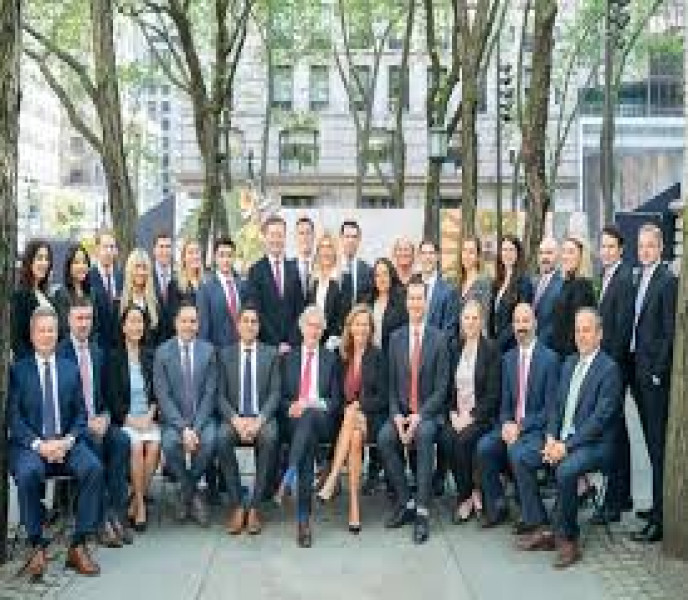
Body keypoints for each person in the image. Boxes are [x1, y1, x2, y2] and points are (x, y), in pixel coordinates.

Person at [512, 308, 622, 569]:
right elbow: (556, 406)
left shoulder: (609, 369)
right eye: (578, 330)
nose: (581, 336)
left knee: (566, 469)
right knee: (519, 455)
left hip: (595, 444)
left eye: (587, 330)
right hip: (562, 439)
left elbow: (599, 421)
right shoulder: (569, 362)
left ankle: (567, 537)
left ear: (599, 334)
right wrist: (551, 437)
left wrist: (565, 446)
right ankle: (541, 525)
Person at [9, 306, 103, 577]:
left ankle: (78, 544)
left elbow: (81, 416)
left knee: (93, 468)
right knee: (28, 472)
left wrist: (67, 442)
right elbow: (14, 418)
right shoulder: (19, 371)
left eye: (51, 330)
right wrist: (40, 446)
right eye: (42, 331)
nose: (47, 335)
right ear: (32, 335)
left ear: (57, 333)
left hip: (66, 443)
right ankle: (36, 544)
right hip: (32, 446)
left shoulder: (70, 369)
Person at [378, 281, 450, 545]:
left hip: (428, 413)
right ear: (407, 302)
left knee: (424, 435)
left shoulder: (439, 339)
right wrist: (397, 415)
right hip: (402, 411)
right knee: (385, 438)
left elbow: (442, 388)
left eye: (420, 298)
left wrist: (421, 415)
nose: (416, 303)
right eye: (412, 298)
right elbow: (390, 384)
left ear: (426, 303)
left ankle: (422, 511)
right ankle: (406, 502)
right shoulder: (395, 338)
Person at [57, 297, 132, 547]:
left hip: (99, 420)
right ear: (69, 320)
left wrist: (106, 417)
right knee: (95, 445)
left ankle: (117, 515)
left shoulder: (98, 352)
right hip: (73, 428)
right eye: (79, 318)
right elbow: (60, 404)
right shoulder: (60, 354)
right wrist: (86, 424)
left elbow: (107, 396)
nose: (83, 323)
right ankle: (100, 521)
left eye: (88, 318)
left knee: (121, 441)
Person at [476, 303, 560, 529]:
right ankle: (497, 506)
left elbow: (551, 409)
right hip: (511, 427)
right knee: (485, 447)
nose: (521, 326)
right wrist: (506, 423)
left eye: (526, 321)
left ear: (535, 323)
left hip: (536, 430)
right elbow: (504, 403)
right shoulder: (508, 359)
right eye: (517, 321)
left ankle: (535, 516)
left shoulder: (550, 359)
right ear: (512, 326)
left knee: (518, 452)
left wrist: (520, 427)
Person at [317, 304, 388, 533]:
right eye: (357, 324)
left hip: (373, 418)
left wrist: (360, 406)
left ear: (371, 329)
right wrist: (351, 409)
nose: (361, 328)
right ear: (350, 327)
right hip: (347, 422)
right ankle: (354, 507)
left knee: (352, 415)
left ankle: (333, 477)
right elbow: (337, 398)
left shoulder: (378, 356)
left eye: (366, 324)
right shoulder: (342, 357)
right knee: (355, 436)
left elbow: (384, 398)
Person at [276, 305, 343, 547]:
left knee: (310, 415)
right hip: (295, 423)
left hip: (322, 420)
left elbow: (336, 401)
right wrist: (290, 407)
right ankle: (303, 520)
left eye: (318, 326)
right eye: (310, 325)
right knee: (305, 436)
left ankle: (290, 473)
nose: (314, 330)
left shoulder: (331, 359)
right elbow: (280, 397)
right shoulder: (288, 359)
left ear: (323, 330)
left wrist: (312, 404)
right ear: (301, 328)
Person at [629, 224, 677, 544]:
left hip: (654, 377)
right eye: (641, 246)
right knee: (649, 444)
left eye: (650, 245)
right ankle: (656, 506)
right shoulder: (640, 278)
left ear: (661, 248)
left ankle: (660, 520)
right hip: (638, 370)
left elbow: (670, 332)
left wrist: (658, 372)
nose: (645, 250)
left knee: (658, 448)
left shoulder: (667, 281)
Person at [217, 305, 281, 536]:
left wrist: (259, 421)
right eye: (245, 320)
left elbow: (275, 393)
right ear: (237, 325)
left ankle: (254, 506)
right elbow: (220, 395)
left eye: (254, 321)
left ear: (259, 327)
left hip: (261, 417)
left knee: (270, 437)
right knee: (221, 438)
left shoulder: (270, 354)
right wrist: (236, 420)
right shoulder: (225, 354)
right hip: (235, 418)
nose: (249, 325)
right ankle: (237, 505)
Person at [154, 301, 219, 527]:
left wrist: (196, 428)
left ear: (198, 324)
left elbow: (210, 394)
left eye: (193, 321)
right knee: (170, 443)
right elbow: (163, 396)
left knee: (210, 441)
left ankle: (185, 493)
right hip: (175, 421)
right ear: (175, 323)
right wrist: (183, 429)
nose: (188, 326)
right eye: (184, 321)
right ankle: (192, 493)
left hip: (202, 419)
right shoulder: (162, 352)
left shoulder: (209, 351)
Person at [439, 300, 500, 524]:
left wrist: (470, 417)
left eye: (475, 318)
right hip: (457, 415)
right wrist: (452, 413)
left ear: (482, 321)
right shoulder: (454, 348)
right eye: (467, 318)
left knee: (463, 440)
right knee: (446, 438)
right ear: (461, 321)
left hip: (481, 416)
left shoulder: (491, 350)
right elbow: (447, 387)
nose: (471, 322)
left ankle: (466, 496)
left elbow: (493, 395)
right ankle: (468, 492)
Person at [593, 225, 635, 524]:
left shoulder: (623, 278)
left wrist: (608, 369)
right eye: (603, 246)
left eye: (611, 246)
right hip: (609, 365)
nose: (606, 251)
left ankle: (614, 502)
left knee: (614, 434)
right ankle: (623, 495)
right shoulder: (606, 275)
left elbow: (621, 330)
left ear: (621, 249)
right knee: (618, 433)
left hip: (615, 367)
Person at [108, 304, 159, 531]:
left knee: (154, 446)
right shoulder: (114, 358)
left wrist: (149, 415)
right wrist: (132, 421)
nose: (137, 326)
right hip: (126, 420)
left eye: (140, 322)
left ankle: (134, 500)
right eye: (132, 321)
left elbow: (157, 392)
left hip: (148, 417)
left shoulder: (150, 355)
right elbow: (114, 400)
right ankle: (140, 505)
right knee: (136, 447)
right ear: (123, 327)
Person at [363, 257, 407, 494]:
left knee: (389, 416)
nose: (381, 278)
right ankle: (373, 469)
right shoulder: (367, 301)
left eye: (385, 274)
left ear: (391, 276)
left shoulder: (400, 302)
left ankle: (393, 475)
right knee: (373, 414)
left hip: (393, 364)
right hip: (371, 365)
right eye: (377, 274)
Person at [247, 215, 304, 353]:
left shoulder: (294, 269)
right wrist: (276, 343)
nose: (276, 240)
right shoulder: (256, 270)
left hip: (292, 347)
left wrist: (291, 341)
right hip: (267, 346)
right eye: (272, 235)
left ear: (285, 237)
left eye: (280, 235)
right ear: (265, 237)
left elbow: (299, 309)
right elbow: (258, 311)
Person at [550, 237, 596, 359]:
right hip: (559, 352)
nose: (565, 256)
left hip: (571, 356)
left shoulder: (582, 286)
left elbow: (579, 327)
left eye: (571, 252)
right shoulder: (567, 282)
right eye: (564, 251)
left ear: (581, 257)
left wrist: (569, 359)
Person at [197, 236, 245, 349]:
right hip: (217, 351)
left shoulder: (243, 285)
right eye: (222, 255)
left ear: (234, 257)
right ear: (215, 258)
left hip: (241, 349)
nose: (226, 260)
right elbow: (204, 326)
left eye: (229, 255)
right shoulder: (206, 288)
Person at [11, 239, 55, 360]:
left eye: (47, 259)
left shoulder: (46, 296)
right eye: (39, 258)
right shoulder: (20, 296)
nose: (44, 263)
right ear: (29, 261)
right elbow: (17, 341)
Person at [489, 235, 534, 353]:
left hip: (512, 345)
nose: (507, 254)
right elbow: (492, 315)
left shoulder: (524, 282)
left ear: (517, 253)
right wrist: (491, 340)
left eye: (511, 250)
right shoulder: (497, 281)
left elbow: (521, 319)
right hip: (496, 344)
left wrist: (499, 343)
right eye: (504, 250)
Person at [53, 243, 100, 344]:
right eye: (76, 262)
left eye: (84, 262)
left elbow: (96, 327)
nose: (81, 266)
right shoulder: (61, 294)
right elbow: (63, 329)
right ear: (69, 266)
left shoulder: (92, 293)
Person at [305, 231, 345, 348]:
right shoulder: (312, 280)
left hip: (333, 343)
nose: (326, 251)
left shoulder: (343, 279)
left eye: (329, 247)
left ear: (335, 251)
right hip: (312, 340)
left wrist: (332, 341)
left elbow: (344, 316)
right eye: (322, 247)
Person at [88, 229, 123, 354]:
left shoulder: (121, 277)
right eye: (105, 247)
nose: (109, 251)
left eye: (112, 247)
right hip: (97, 348)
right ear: (97, 249)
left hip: (118, 349)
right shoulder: (88, 277)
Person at [418, 240, 460, 345]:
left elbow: (449, 331)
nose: (427, 257)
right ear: (419, 257)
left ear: (437, 257)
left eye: (431, 253)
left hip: (437, 350)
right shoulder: (412, 286)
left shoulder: (448, 291)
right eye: (424, 253)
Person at [118, 248, 161, 350]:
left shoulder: (156, 302)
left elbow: (161, 336)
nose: (141, 272)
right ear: (130, 270)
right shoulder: (119, 303)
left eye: (144, 268)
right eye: (137, 267)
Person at [532, 237, 563, 350]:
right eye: (541, 253)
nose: (544, 257)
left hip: (550, 349)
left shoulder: (563, 284)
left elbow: (556, 323)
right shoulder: (533, 282)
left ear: (558, 255)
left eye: (549, 253)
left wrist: (538, 345)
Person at [339, 220, 373, 312]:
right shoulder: (332, 267)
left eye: (354, 237)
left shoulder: (368, 270)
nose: (351, 241)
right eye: (347, 236)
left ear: (359, 239)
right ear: (341, 238)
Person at [457, 236, 492, 322]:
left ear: (478, 256)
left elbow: (485, 317)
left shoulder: (484, 283)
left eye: (471, 252)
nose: (467, 256)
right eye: (464, 251)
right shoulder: (457, 283)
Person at [152, 231, 178, 343]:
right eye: (161, 247)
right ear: (154, 250)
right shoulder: (147, 276)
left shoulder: (178, 278)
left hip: (174, 340)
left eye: (168, 247)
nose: (165, 251)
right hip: (152, 340)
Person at [294, 215, 315, 297]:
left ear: (313, 236)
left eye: (308, 233)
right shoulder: (286, 267)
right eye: (301, 233)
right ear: (296, 237)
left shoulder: (322, 265)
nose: (305, 237)